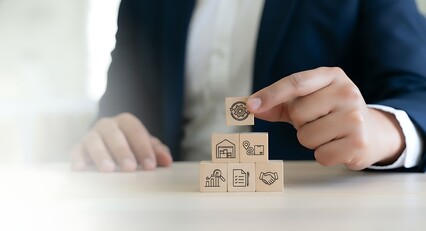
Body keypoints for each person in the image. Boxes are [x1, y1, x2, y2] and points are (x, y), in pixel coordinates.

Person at [72, 0, 426, 173]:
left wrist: (384, 129)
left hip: (314, 210)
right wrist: (109, 136)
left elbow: (417, 89)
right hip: (169, 205)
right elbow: (117, 111)